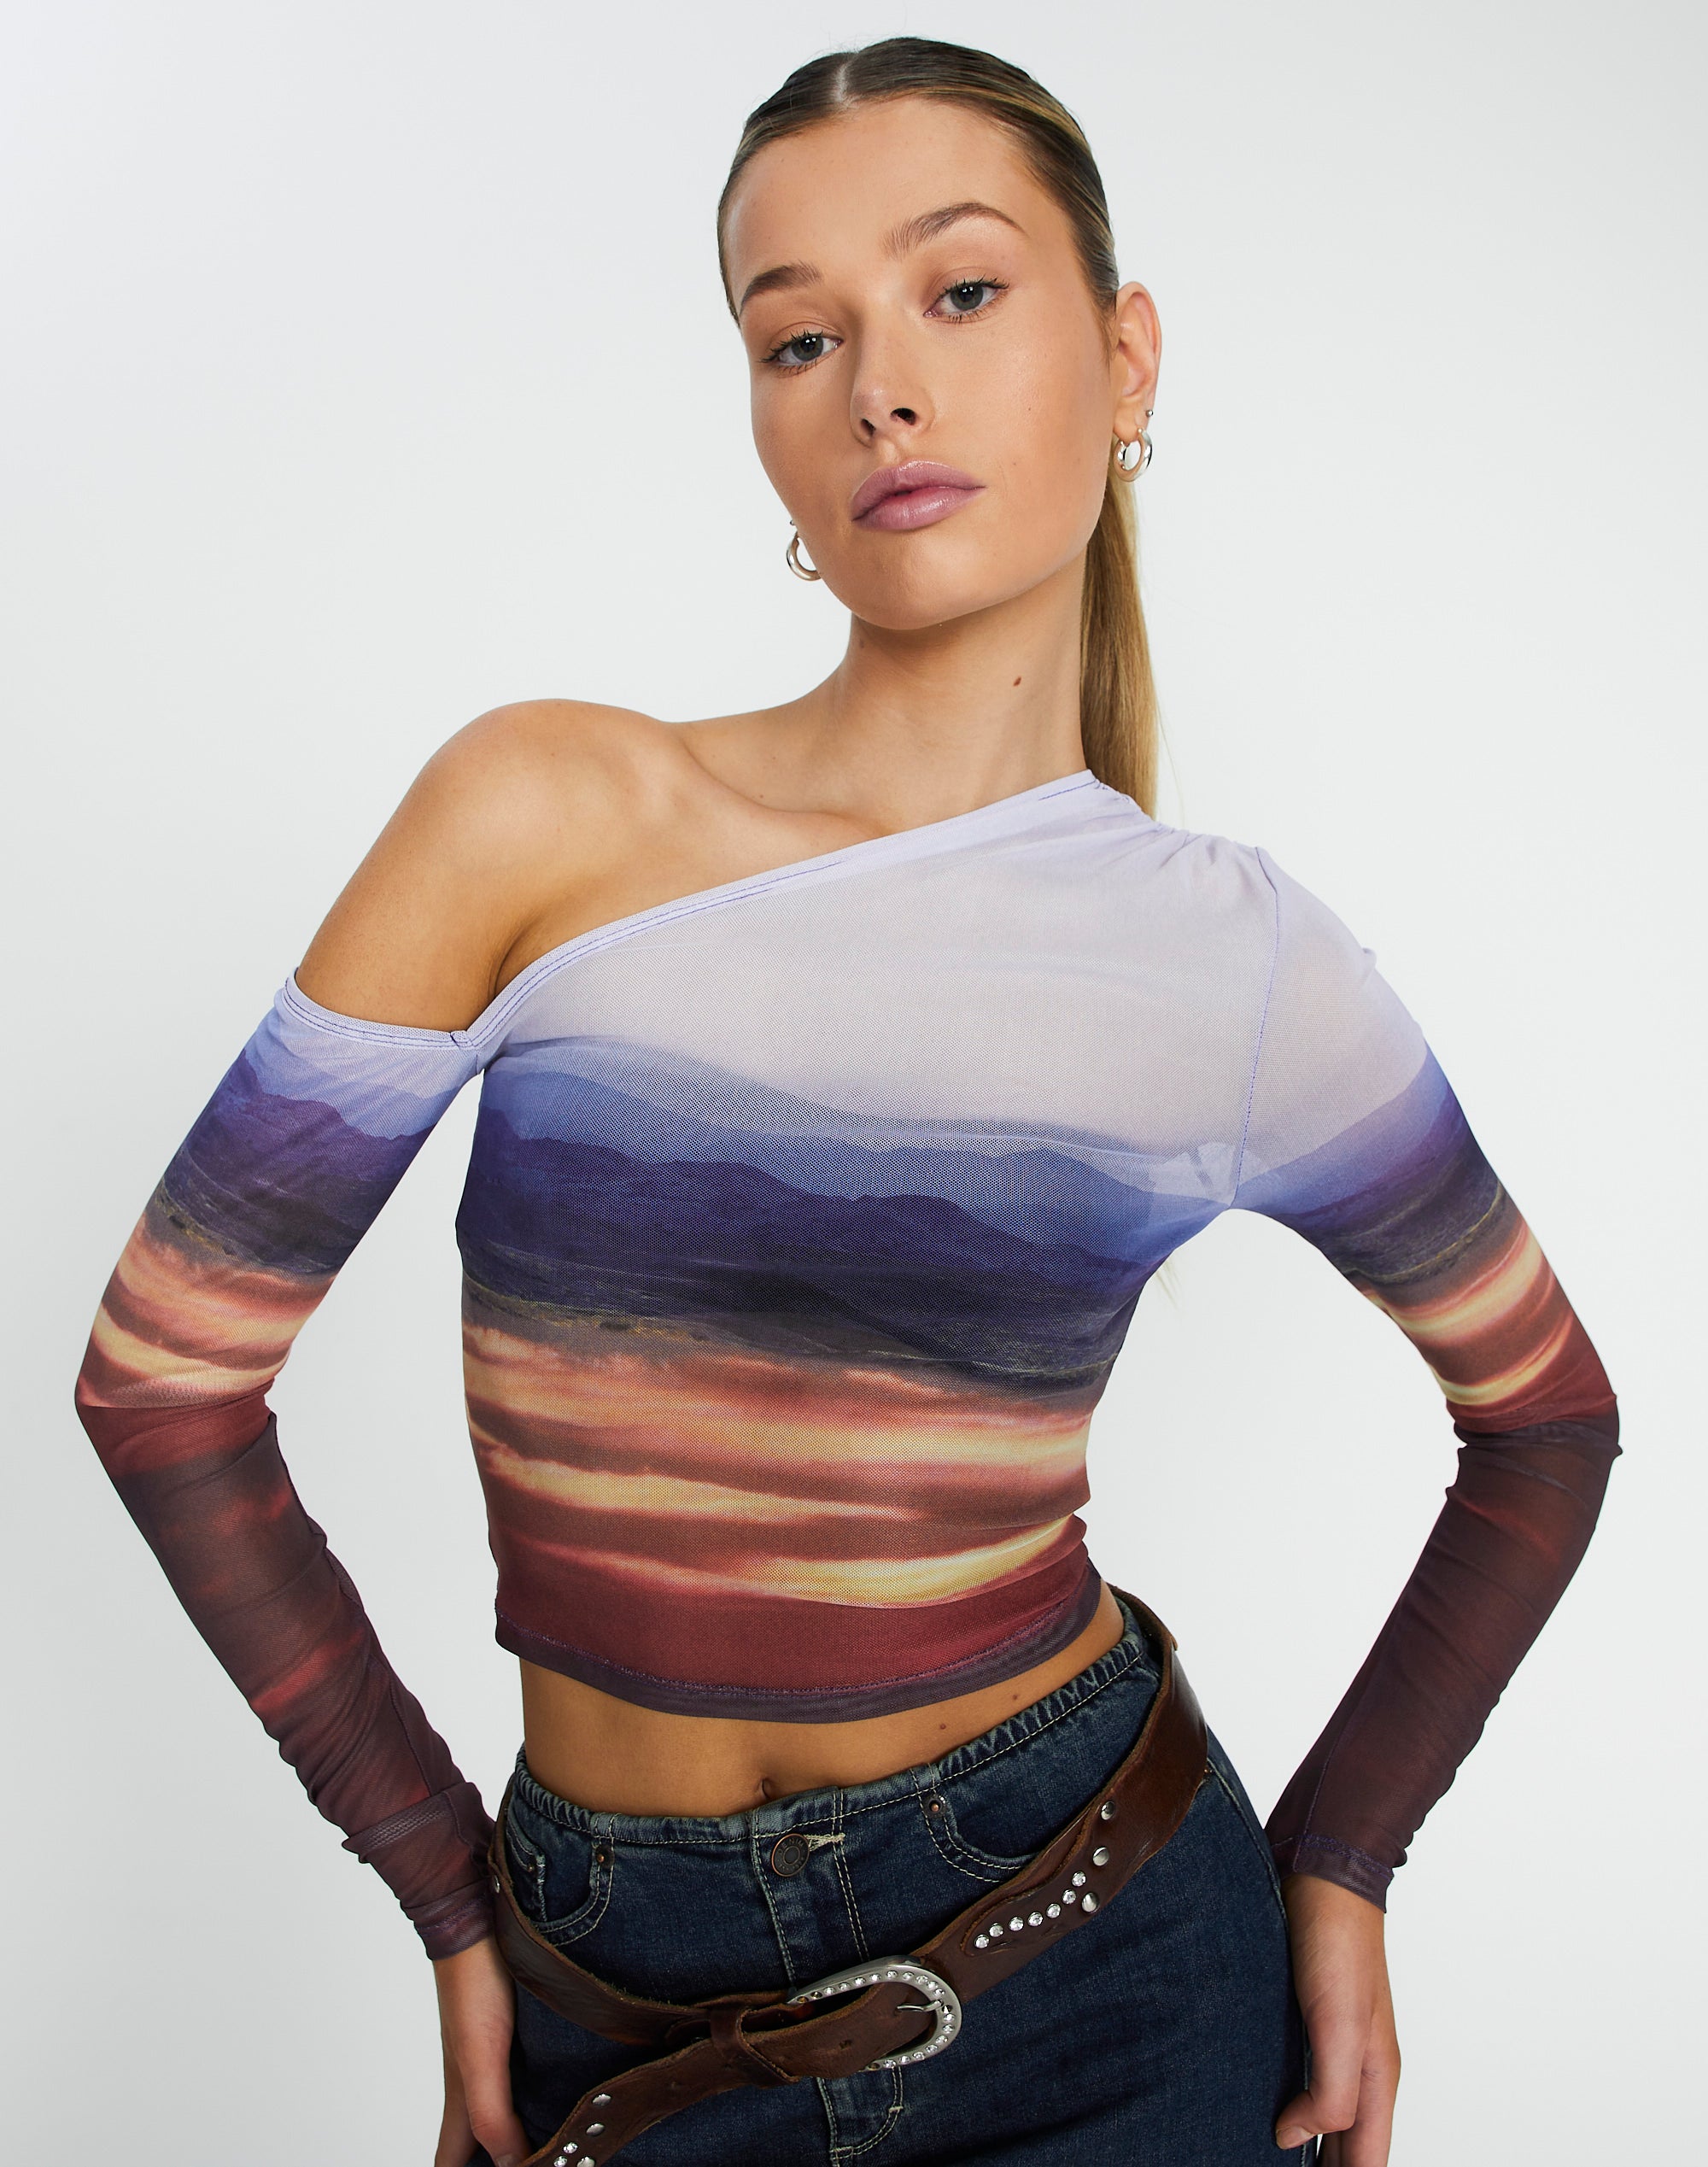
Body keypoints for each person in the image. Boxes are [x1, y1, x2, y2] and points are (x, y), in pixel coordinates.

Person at [73, 36, 1618, 2167]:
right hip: (614, 1985)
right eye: (797, 336)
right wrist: (438, 1880)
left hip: (1101, 1953)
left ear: (1126, 353)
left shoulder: (1235, 964)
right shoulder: (544, 811)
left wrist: (1345, 1860)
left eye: (959, 293)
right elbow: (161, 1385)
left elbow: (1545, 1423)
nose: (880, 388)